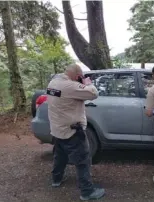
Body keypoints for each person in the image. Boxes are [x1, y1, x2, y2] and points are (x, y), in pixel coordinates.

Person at [47, 64, 105, 201]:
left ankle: (56, 179)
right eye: (80, 77)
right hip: (72, 130)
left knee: (59, 156)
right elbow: (93, 94)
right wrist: (87, 82)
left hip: (57, 128)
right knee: (82, 160)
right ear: (77, 76)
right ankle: (87, 192)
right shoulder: (70, 86)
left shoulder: (53, 82)